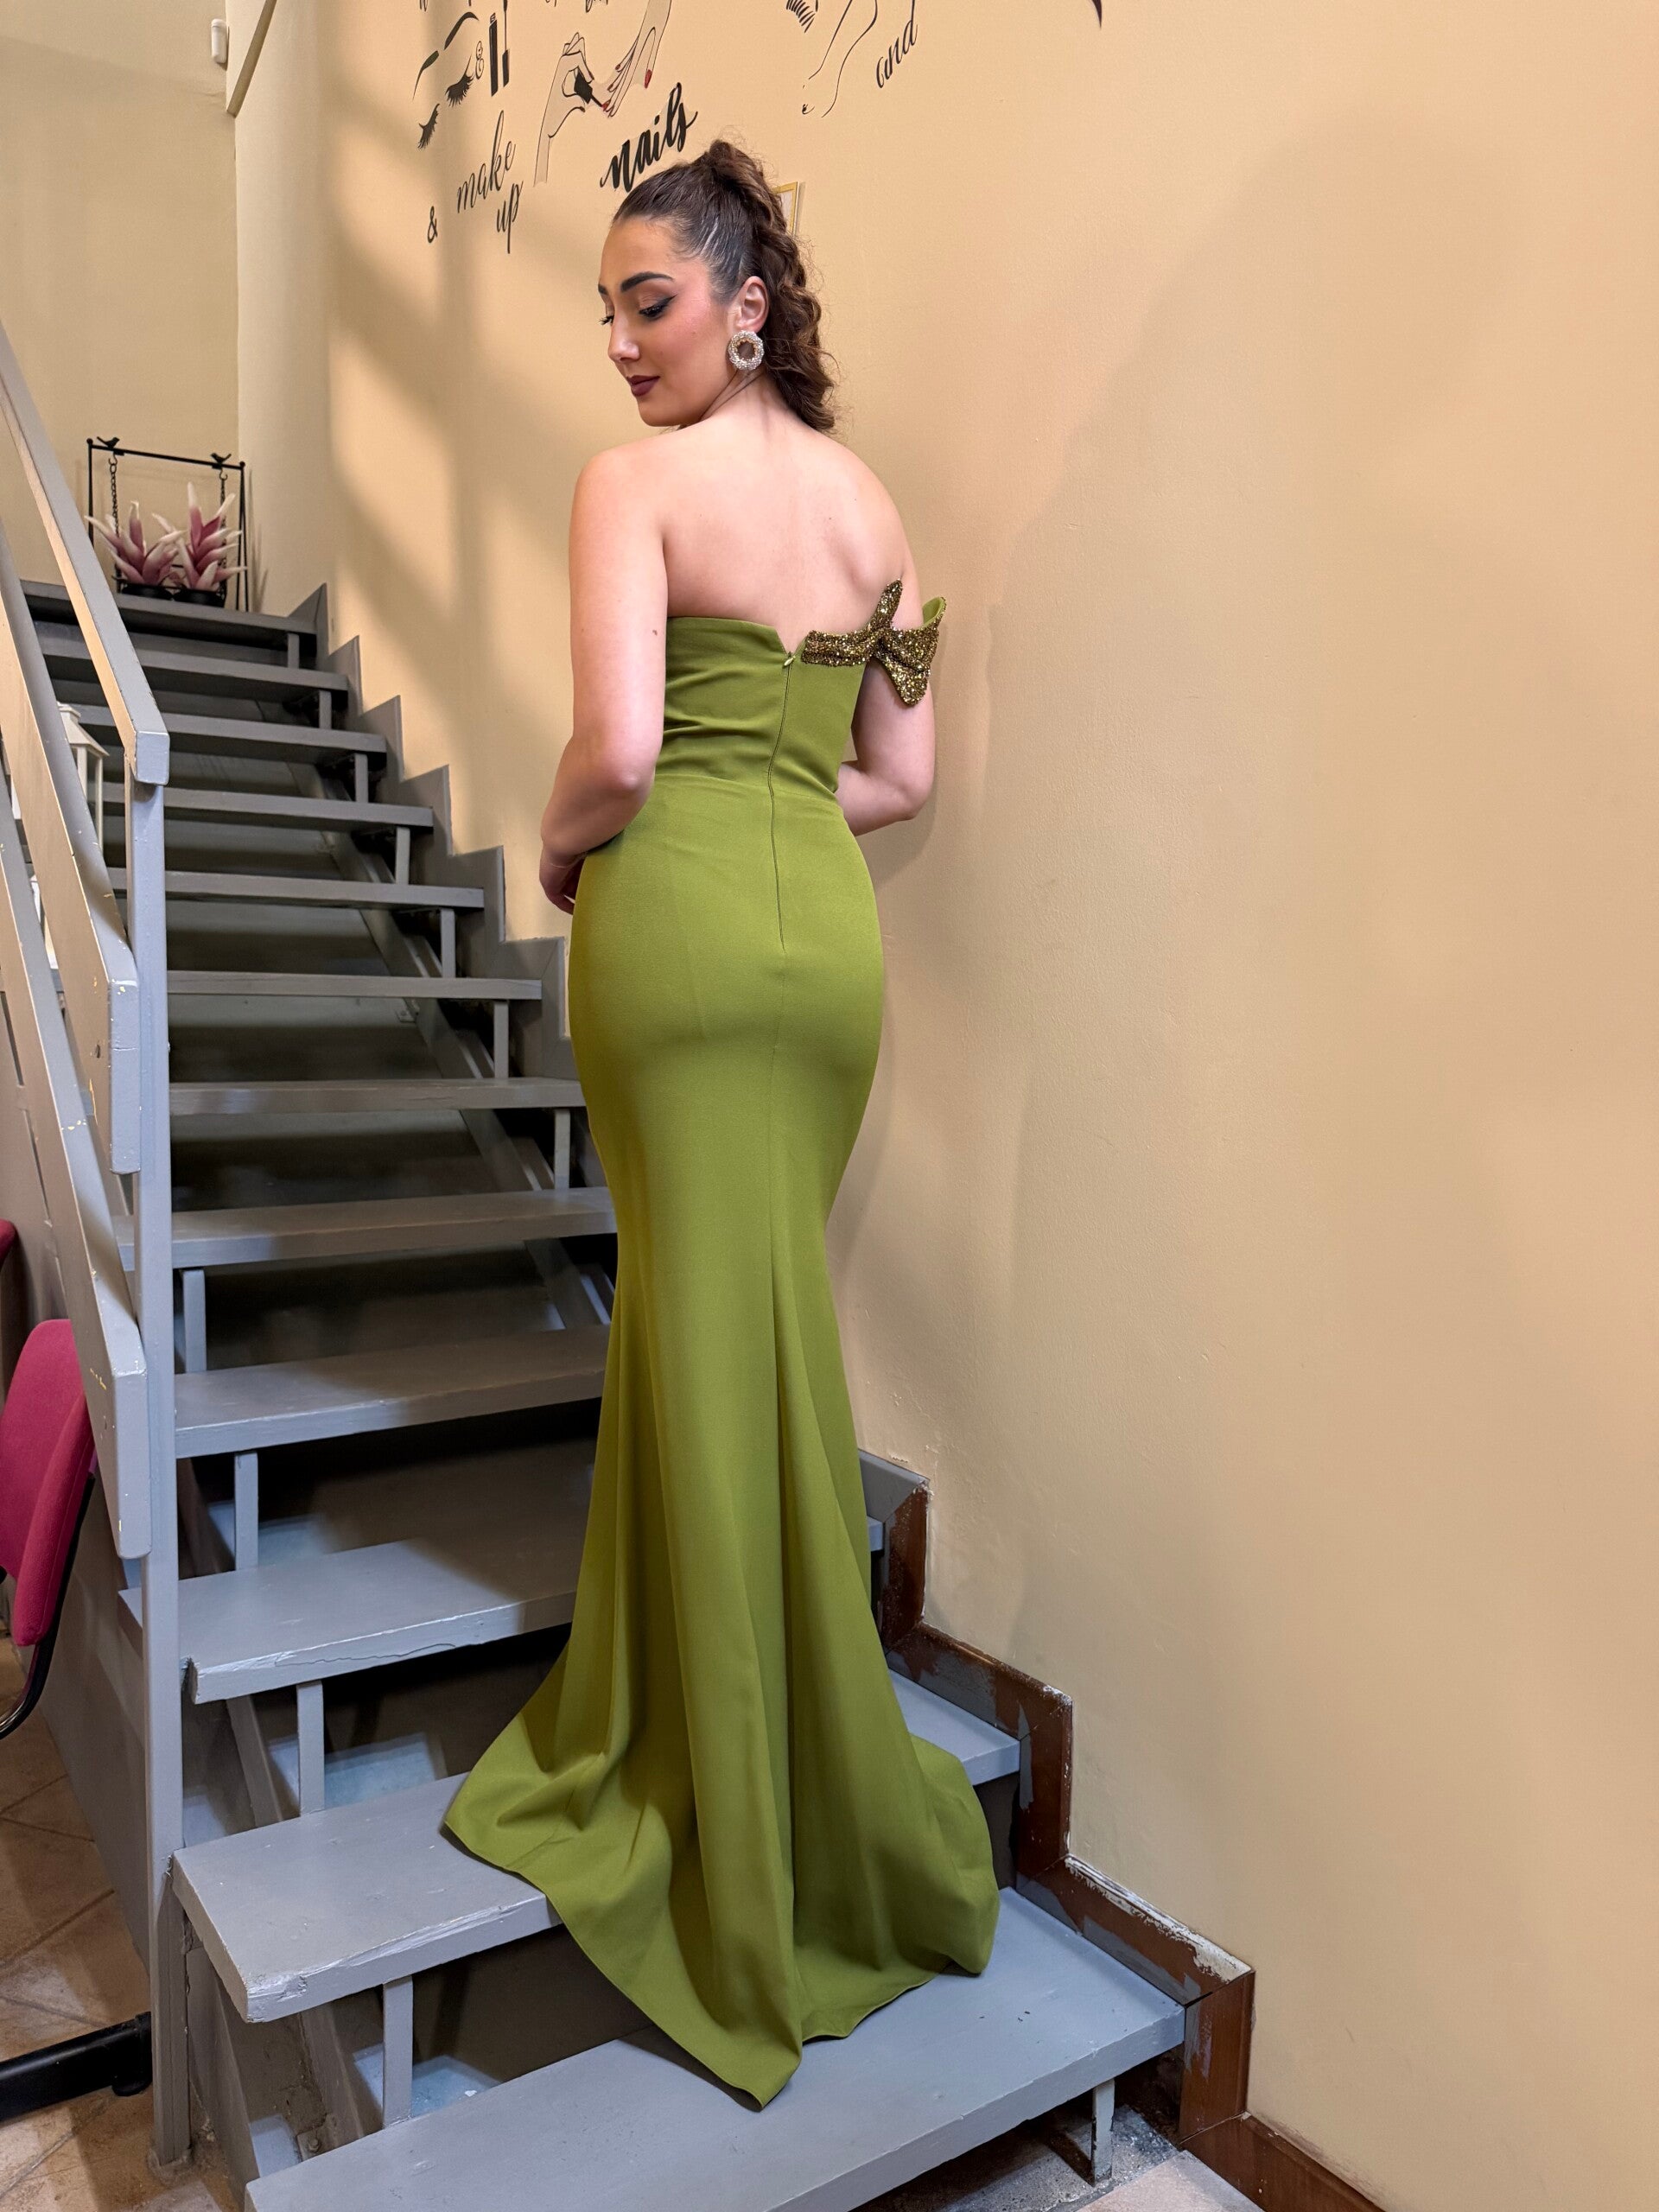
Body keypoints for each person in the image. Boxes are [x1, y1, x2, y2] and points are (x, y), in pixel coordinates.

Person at [442, 136, 1000, 2110]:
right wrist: (772, 789)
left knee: (695, 1327)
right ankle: (796, 1759)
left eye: (650, 302)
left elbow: (616, 747)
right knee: (753, 1331)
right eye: (608, 311)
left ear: (747, 304)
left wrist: (554, 844)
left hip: (675, 934)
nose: (621, 343)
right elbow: (901, 772)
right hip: (820, 957)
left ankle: (737, 1837)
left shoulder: (632, 488)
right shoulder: (875, 511)